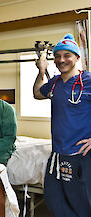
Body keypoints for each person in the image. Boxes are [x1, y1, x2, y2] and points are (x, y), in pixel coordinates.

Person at [33, 33, 91, 217]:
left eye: (67, 55)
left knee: (81, 204)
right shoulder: (54, 83)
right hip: (57, 155)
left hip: (80, 155)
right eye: (57, 56)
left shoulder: (88, 81)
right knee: (53, 198)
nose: (61, 60)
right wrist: (41, 71)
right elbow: (37, 93)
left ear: (77, 58)